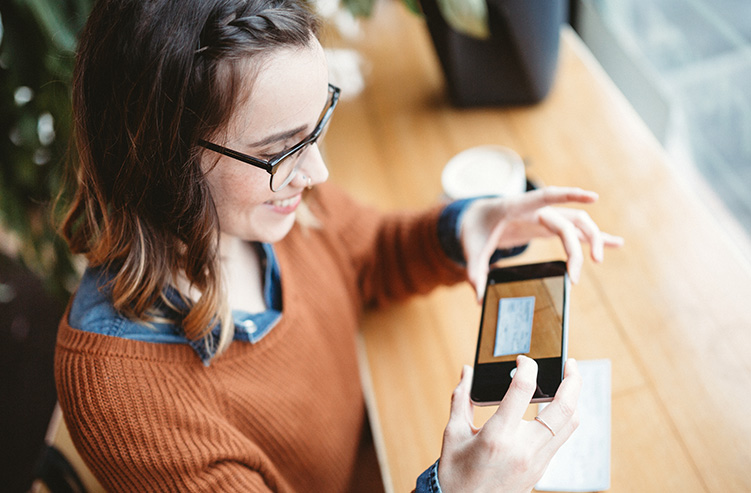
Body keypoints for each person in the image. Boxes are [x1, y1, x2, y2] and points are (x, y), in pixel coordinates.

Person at [55, 0, 623, 491]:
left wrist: (463, 228)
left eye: (318, 121)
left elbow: (368, 253)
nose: (318, 173)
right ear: (159, 159)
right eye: (282, 150)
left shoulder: (267, 204)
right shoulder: (123, 397)